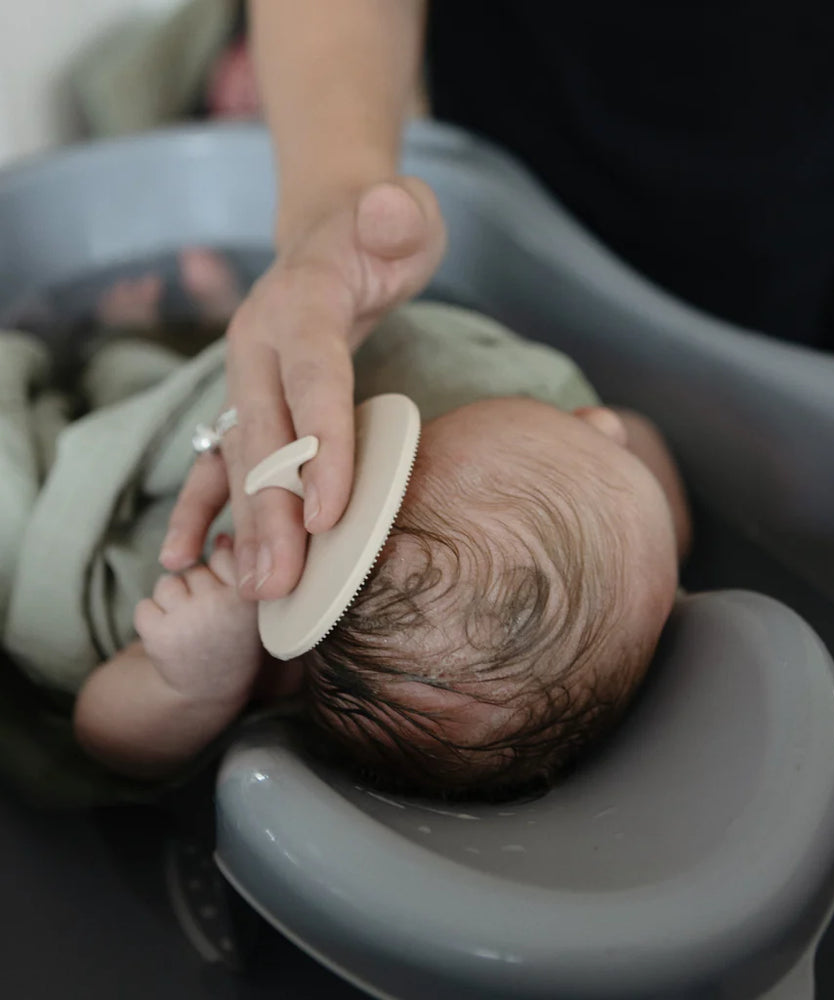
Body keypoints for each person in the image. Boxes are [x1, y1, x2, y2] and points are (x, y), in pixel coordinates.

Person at [161, 0, 834, 630]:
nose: (600, 428)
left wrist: (192, 671)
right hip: (586, 149)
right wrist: (330, 206)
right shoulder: (548, 385)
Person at [0, 253, 688, 799]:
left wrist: (193, 685)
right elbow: (639, 445)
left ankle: (125, 338)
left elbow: (104, 738)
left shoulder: (261, 659)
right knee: (255, 380)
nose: (601, 420)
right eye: (598, 438)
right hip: (235, 397)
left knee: (126, 391)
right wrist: (639, 485)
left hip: (162, 504)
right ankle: (206, 321)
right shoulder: (639, 577)